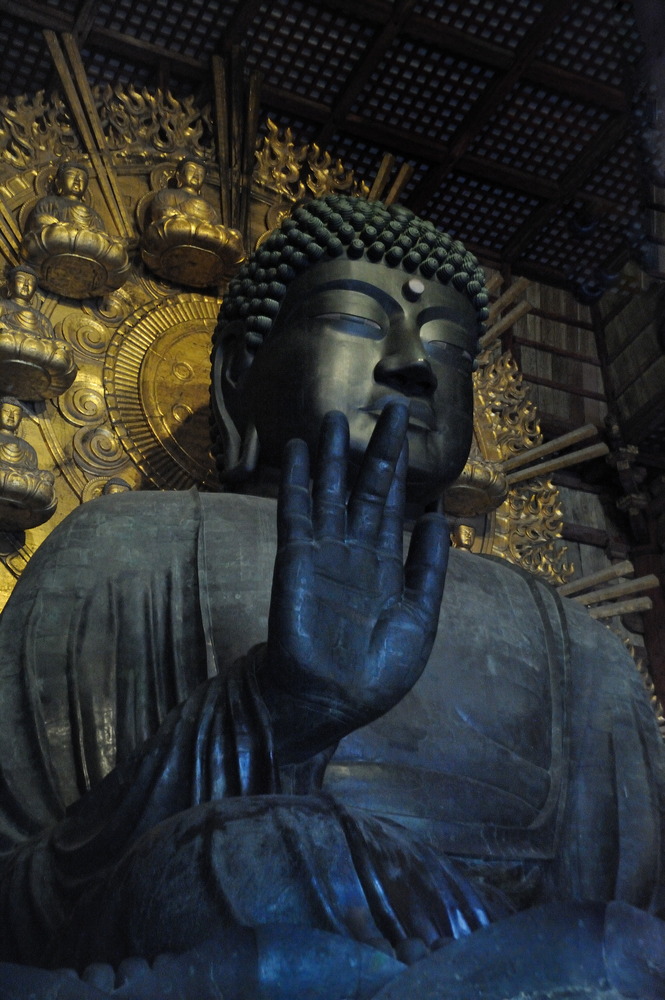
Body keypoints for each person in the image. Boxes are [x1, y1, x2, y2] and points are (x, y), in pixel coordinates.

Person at [0, 195, 663, 999]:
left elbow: (633, 929)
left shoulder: (568, 638)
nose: (411, 363)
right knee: (255, 855)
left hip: (520, 969)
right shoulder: (124, 544)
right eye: (356, 319)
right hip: (217, 945)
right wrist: (276, 710)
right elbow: (18, 903)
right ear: (236, 373)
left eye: (448, 346)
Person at [21, 162, 131, 298]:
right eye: (72, 175)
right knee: (53, 232)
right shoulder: (49, 202)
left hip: (85, 248)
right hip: (56, 240)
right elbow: (40, 221)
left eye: (83, 179)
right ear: (58, 182)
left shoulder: (93, 214)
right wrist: (60, 225)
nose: (77, 180)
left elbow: (99, 238)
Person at [141, 156, 245, 286]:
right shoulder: (168, 194)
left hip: (202, 234)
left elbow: (214, 228)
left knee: (235, 235)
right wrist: (179, 214)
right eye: (192, 170)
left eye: (200, 173)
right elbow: (162, 212)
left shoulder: (209, 206)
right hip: (176, 230)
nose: (196, 175)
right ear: (179, 175)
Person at [0, 265, 77, 399]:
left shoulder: (42, 319)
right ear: (10, 284)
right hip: (9, 340)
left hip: (31, 347)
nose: (25, 285)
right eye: (21, 280)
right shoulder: (3, 305)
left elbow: (49, 342)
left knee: (63, 346)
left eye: (30, 283)